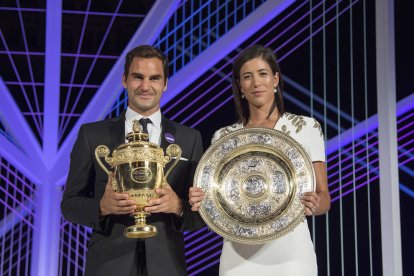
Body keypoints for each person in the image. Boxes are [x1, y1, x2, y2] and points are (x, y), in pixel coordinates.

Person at [61, 45, 205, 276]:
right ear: (125, 80)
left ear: (165, 83)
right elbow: (69, 205)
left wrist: (178, 207)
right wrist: (101, 207)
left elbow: (201, 214)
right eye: (138, 77)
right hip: (108, 265)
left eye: (154, 78)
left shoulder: (189, 139)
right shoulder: (92, 135)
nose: (146, 86)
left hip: (167, 266)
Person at [189, 44, 330, 276]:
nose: (256, 83)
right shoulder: (223, 137)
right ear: (240, 86)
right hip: (237, 258)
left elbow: (324, 198)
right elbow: (215, 200)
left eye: (263, 74)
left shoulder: (306, 128)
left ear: (275, 79)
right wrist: (201, 199)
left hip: (292, 256)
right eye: (247, 77)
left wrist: (315, 205)